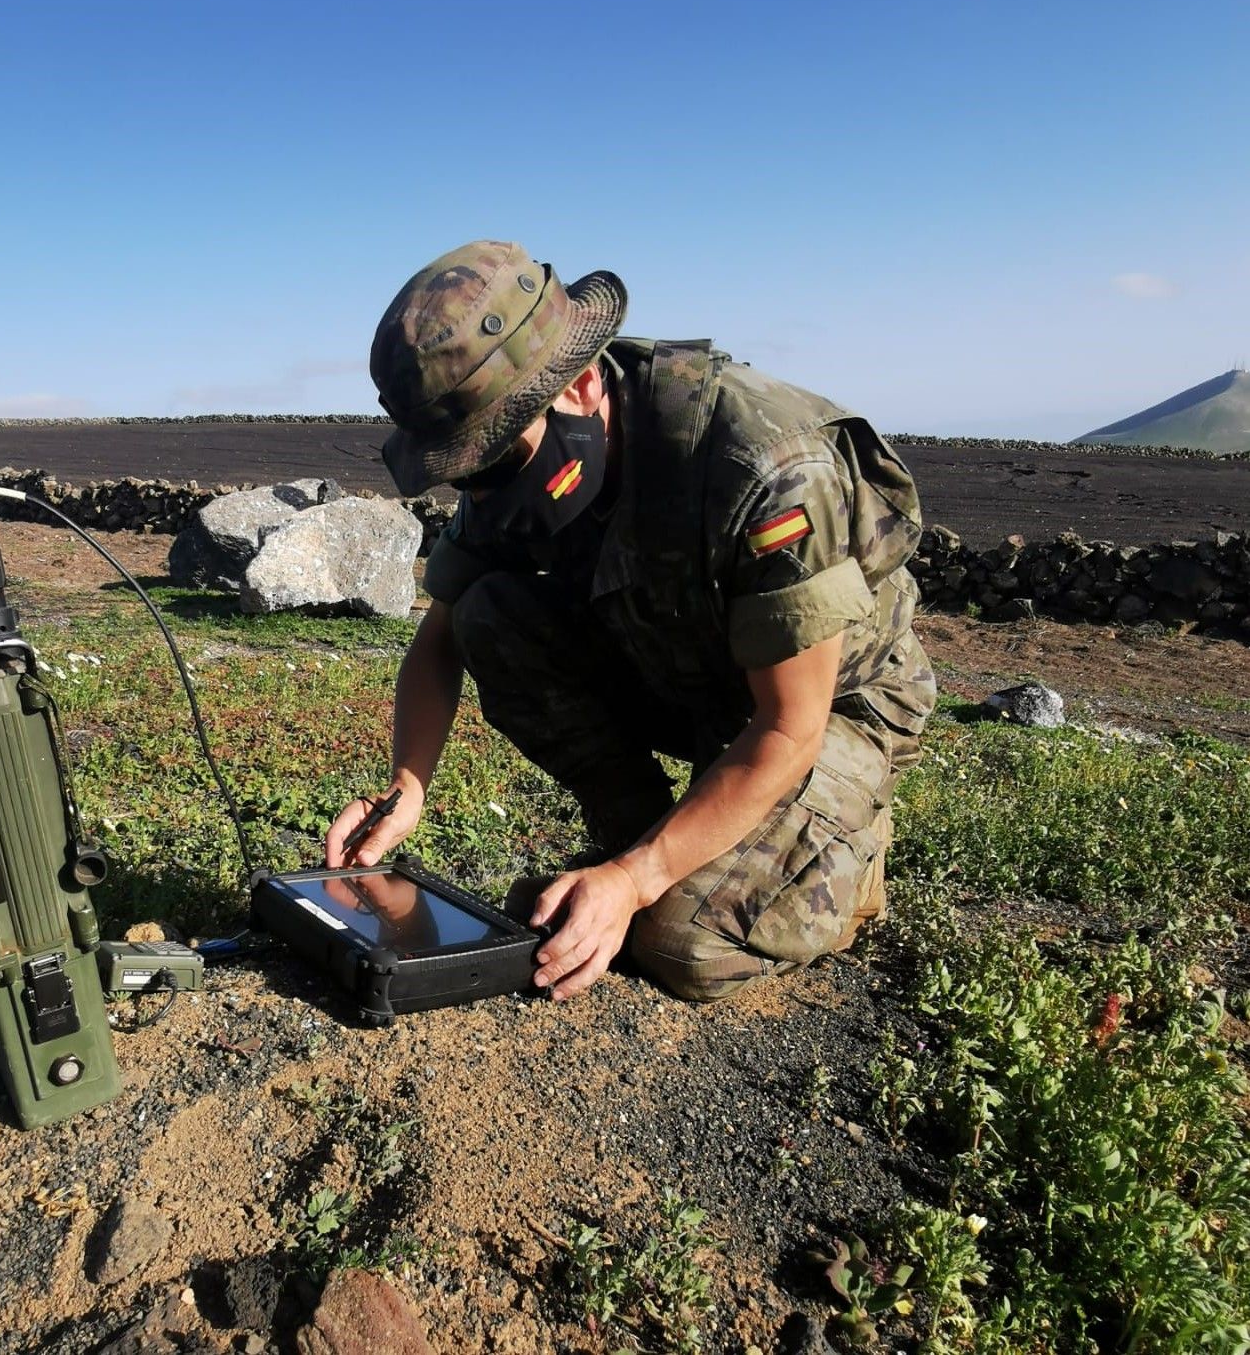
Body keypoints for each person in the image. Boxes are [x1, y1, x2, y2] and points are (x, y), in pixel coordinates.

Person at [324, 239, 935, 1003]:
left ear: (579, 384)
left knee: (681, 944)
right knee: (492, 614)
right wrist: (406, 785)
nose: (481, 488)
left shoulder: (765, 464)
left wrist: (638, 881)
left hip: (828, 710)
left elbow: (787, 726)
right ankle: (640, 829)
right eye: (463, 470)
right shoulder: (514, 466)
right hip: (679, 667)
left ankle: (847, 861)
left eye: (493, 458)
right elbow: (443, 636)